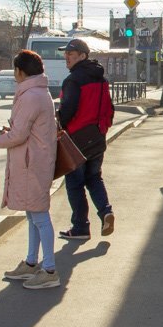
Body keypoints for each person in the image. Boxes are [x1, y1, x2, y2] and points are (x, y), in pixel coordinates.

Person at [0, 50, 60, 289]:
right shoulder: (38, 92)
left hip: (31, 163)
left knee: (40, 216)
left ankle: (50, 269)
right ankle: (32, 263)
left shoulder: (30, 95)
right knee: (33, 214)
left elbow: (19, 134)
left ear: (20, 71)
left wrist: (1, 139)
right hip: (34, 160)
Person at [57, 38, 115, 240]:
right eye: (65, 55)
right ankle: (106, 211)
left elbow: (67, 111)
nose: (66, 58)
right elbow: (110, 109)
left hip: (76, 140)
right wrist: (103, 129)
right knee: (94, 178)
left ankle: (81, 227)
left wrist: (59, 126)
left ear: (83, 56)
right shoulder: (102, 80)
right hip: (97, 137)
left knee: (74, 183)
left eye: (70, 55)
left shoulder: (73, 80)